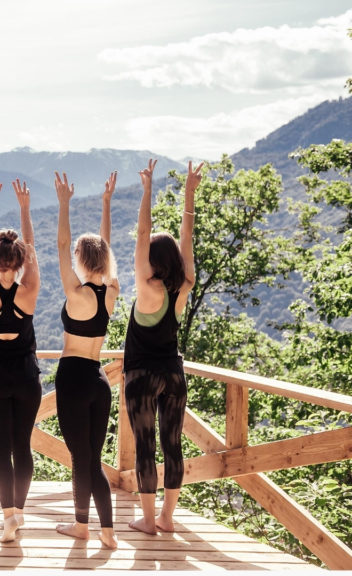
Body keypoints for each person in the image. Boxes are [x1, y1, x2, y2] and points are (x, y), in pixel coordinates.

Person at [125, 159, 202, 535]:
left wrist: (146, 189)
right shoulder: (182, 288)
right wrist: (189, 195)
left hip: (141, 376)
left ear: (151, 261)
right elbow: (186, 243)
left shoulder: (147, 288)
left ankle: (148, 519)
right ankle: (168, 518)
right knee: (172, 445)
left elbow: (141, 235)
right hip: (173, 373)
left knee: (145, 446)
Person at [53, 170, 120, 550]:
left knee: (83, 459)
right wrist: (106, 204)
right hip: (99, 380)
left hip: (74, 379)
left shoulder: (76, 294)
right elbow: (104, 247)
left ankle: (85, 527)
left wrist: (64, 204)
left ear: (81, 258)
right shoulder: (111, 292)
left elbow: (62, 245)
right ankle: (104, 530)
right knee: (92, 458)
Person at [0, 178, 41, 543]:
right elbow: (31, 254)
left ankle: (7, 518)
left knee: (1, 449)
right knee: (23, 446)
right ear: (18, 261)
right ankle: (20, 510)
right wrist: (26, 210)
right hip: (27, 379)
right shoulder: (29, 291)